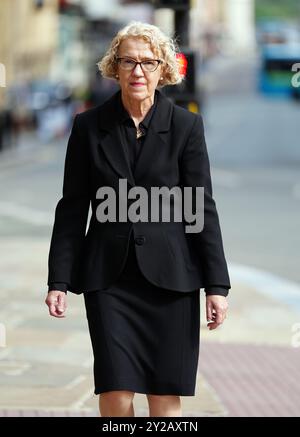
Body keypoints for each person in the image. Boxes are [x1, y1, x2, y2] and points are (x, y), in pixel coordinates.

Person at [45, 21, 231, 418]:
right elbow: (73, 207)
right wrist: (58, 279)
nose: (138, 71)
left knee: (164, 401)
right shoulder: (88, 127)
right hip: (109, 280)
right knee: (116, 393)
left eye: (148, 62)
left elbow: (201, 208)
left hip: (172, 281)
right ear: (114, 67)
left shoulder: (186, 127)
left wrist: (216, 285)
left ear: (164, 69)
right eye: (128, 61)